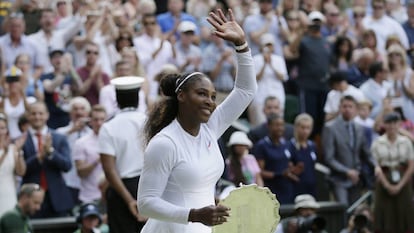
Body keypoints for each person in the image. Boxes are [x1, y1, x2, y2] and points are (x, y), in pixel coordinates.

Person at [137, 8, 256, 233]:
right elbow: (145, 203)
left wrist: (241, 45)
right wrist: (193, 215)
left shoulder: (211, 127)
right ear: (181, 96)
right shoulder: (165, 143)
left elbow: (245, 90)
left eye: (212, 96)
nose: (210, 101)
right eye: (201, 94)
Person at [99, 76, 147, 233]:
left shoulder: (108, 127)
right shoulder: (150, 122)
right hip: (151, 187)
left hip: (122, 191)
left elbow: (109, 171)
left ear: (117, 100)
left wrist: (129, 201)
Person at [21, 101, 74, 218]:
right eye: (33, 113)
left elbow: (67, 166)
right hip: (31, 200)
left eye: (40, 113)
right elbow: (20, 171)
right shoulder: (21, 140)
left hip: (58, 199)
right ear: (28, 116)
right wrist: (38, 157)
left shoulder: (59, 138)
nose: (37, 117)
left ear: (47, 115)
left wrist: (50, 152)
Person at [322, 95, 375, 206]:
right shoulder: (330, 128)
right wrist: (347, 171)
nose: (347, 109)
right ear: (340, 108)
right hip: (339, 179)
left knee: (356, 212)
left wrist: (377, 166)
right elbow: (329, 158)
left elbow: (366, 153)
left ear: (355, 109)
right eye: (344, 106)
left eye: (350, 106)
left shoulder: (359, 128)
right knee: (343, 211)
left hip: (356, 178)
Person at [371, 112, 414, 232]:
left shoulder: (405, 142)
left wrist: (400, 185)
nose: (392, 126)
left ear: (399, 124)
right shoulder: (378, 142)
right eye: (389, 123)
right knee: (385, 213)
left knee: (404, 212)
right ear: (385, 125)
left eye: (395, 123)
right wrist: (386, 185)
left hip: (403, 178)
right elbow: (376, 165)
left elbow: (411, 165)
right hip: (384, 177)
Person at [253, 113, 296, 204]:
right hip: (271, 190)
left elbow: (289, 164)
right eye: (276, 125)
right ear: (268, 126)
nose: (280, 128)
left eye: (282, 125)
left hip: (287, 189)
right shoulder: (262, 145)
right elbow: (259, 171)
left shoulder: (287, 144)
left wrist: (293, 170)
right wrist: (279, 174)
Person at [57, 97, 92, 204]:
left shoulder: (92, 134)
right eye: (75, 109)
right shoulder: (61, 132)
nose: (79, 112)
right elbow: (54, 143)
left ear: (87, 113)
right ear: (70, 112)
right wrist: (72, 130)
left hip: (88, 184)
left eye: (82, 109)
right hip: (67, 181)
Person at [73, 105, 106, 204]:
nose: (99, 123)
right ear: (90, 121)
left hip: (110, 196)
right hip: (89, 196)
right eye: (96, 120)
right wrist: (98, 160)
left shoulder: (115, 140)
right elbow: (81, 172)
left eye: (102, 119)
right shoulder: (81, 142)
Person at [0, 113, 26, 217]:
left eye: (2, 128)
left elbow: (21, 172)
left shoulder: (13, 148)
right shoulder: (8, 150)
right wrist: (5, 153)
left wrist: (19, 152)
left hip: (9, 192)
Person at [288, 113, 318, 197]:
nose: (305, 131)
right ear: (296, 127)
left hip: (311, 186)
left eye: (308, 128)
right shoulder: (290, 146)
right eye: (303, 127)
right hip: (296, 187)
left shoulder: (312, 145)